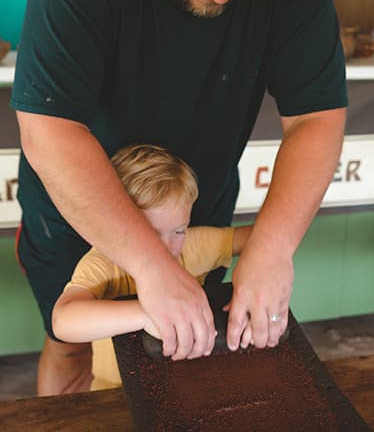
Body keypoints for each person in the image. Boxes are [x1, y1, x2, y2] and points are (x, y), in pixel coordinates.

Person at [11, 0, 347, 396]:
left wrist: (273, 249)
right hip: (79, 206)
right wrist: (150, 267)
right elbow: (50, 130)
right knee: (71, 346)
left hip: (193, 211)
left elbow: (315, 119)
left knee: (177, 352)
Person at [52, 144, 252, 390]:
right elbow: (63, 321)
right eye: (151, 233)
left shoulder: (192, 245)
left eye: (179, 230)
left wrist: (261, 268)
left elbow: (260, 238)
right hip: (118, 391)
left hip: (187, 383)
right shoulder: (103, 263)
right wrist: (147, 315)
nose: (168, 246)